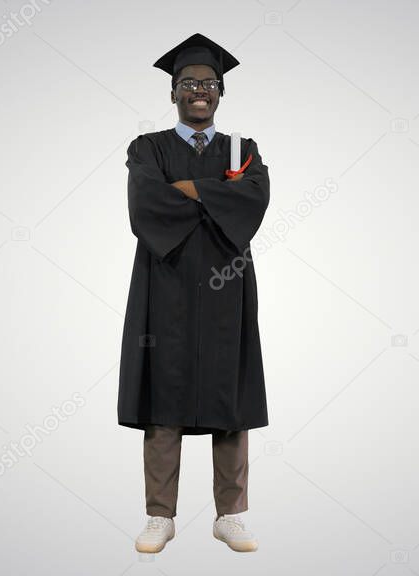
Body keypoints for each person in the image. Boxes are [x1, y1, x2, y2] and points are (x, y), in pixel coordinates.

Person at [117, 32, 270, 554]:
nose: (198, 91)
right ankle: (160, 515)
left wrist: (186, 190)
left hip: (227, 288)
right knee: (165, 395)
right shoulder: (148, 147)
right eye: (188, 84)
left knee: (230, 395)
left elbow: (254, 202)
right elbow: (144, 206)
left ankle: (230, 514)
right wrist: (217, 196)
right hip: (166, 285)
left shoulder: (241, 149)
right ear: (173, 93)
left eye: (207, 83)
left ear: (221, 92)